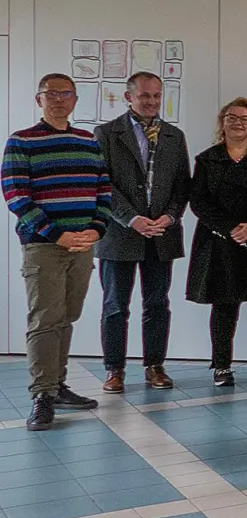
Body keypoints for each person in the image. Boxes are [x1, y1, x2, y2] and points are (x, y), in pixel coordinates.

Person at [3, 73, 110, 429]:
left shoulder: (87, 142)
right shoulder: (21, 142)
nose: (60, 99)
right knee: (45, 319)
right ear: (39, 99)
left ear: (75, 99)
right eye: (52, 94)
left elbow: (104, 191)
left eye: (66, 93)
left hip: (83, 246)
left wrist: (97, 229)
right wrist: (56, 234)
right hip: (44, 246)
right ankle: (42, 395)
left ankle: (58, 384)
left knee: (67, 316)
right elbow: (16, 196)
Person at [93, 72, 190, 394]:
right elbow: (102, 184)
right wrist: (130, 218)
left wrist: (171, 216)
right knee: (116, 305)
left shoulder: (175, 136)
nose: (151, 102)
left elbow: (182, 186)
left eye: (156, 96)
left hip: (160, 234)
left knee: (157, 303)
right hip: (120, 234)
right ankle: (114, 370)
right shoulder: (106, 134)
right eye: (144, 96)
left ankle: (154, 366)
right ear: (128, 96)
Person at [188, 98, 247, 388]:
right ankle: (221, 366)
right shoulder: (208, 158)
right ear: (223, 122)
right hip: (219, 239)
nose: (238, 123)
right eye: (232, 117)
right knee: (224, 305)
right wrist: (231, 228)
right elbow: (198, 201)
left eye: (245, 118)